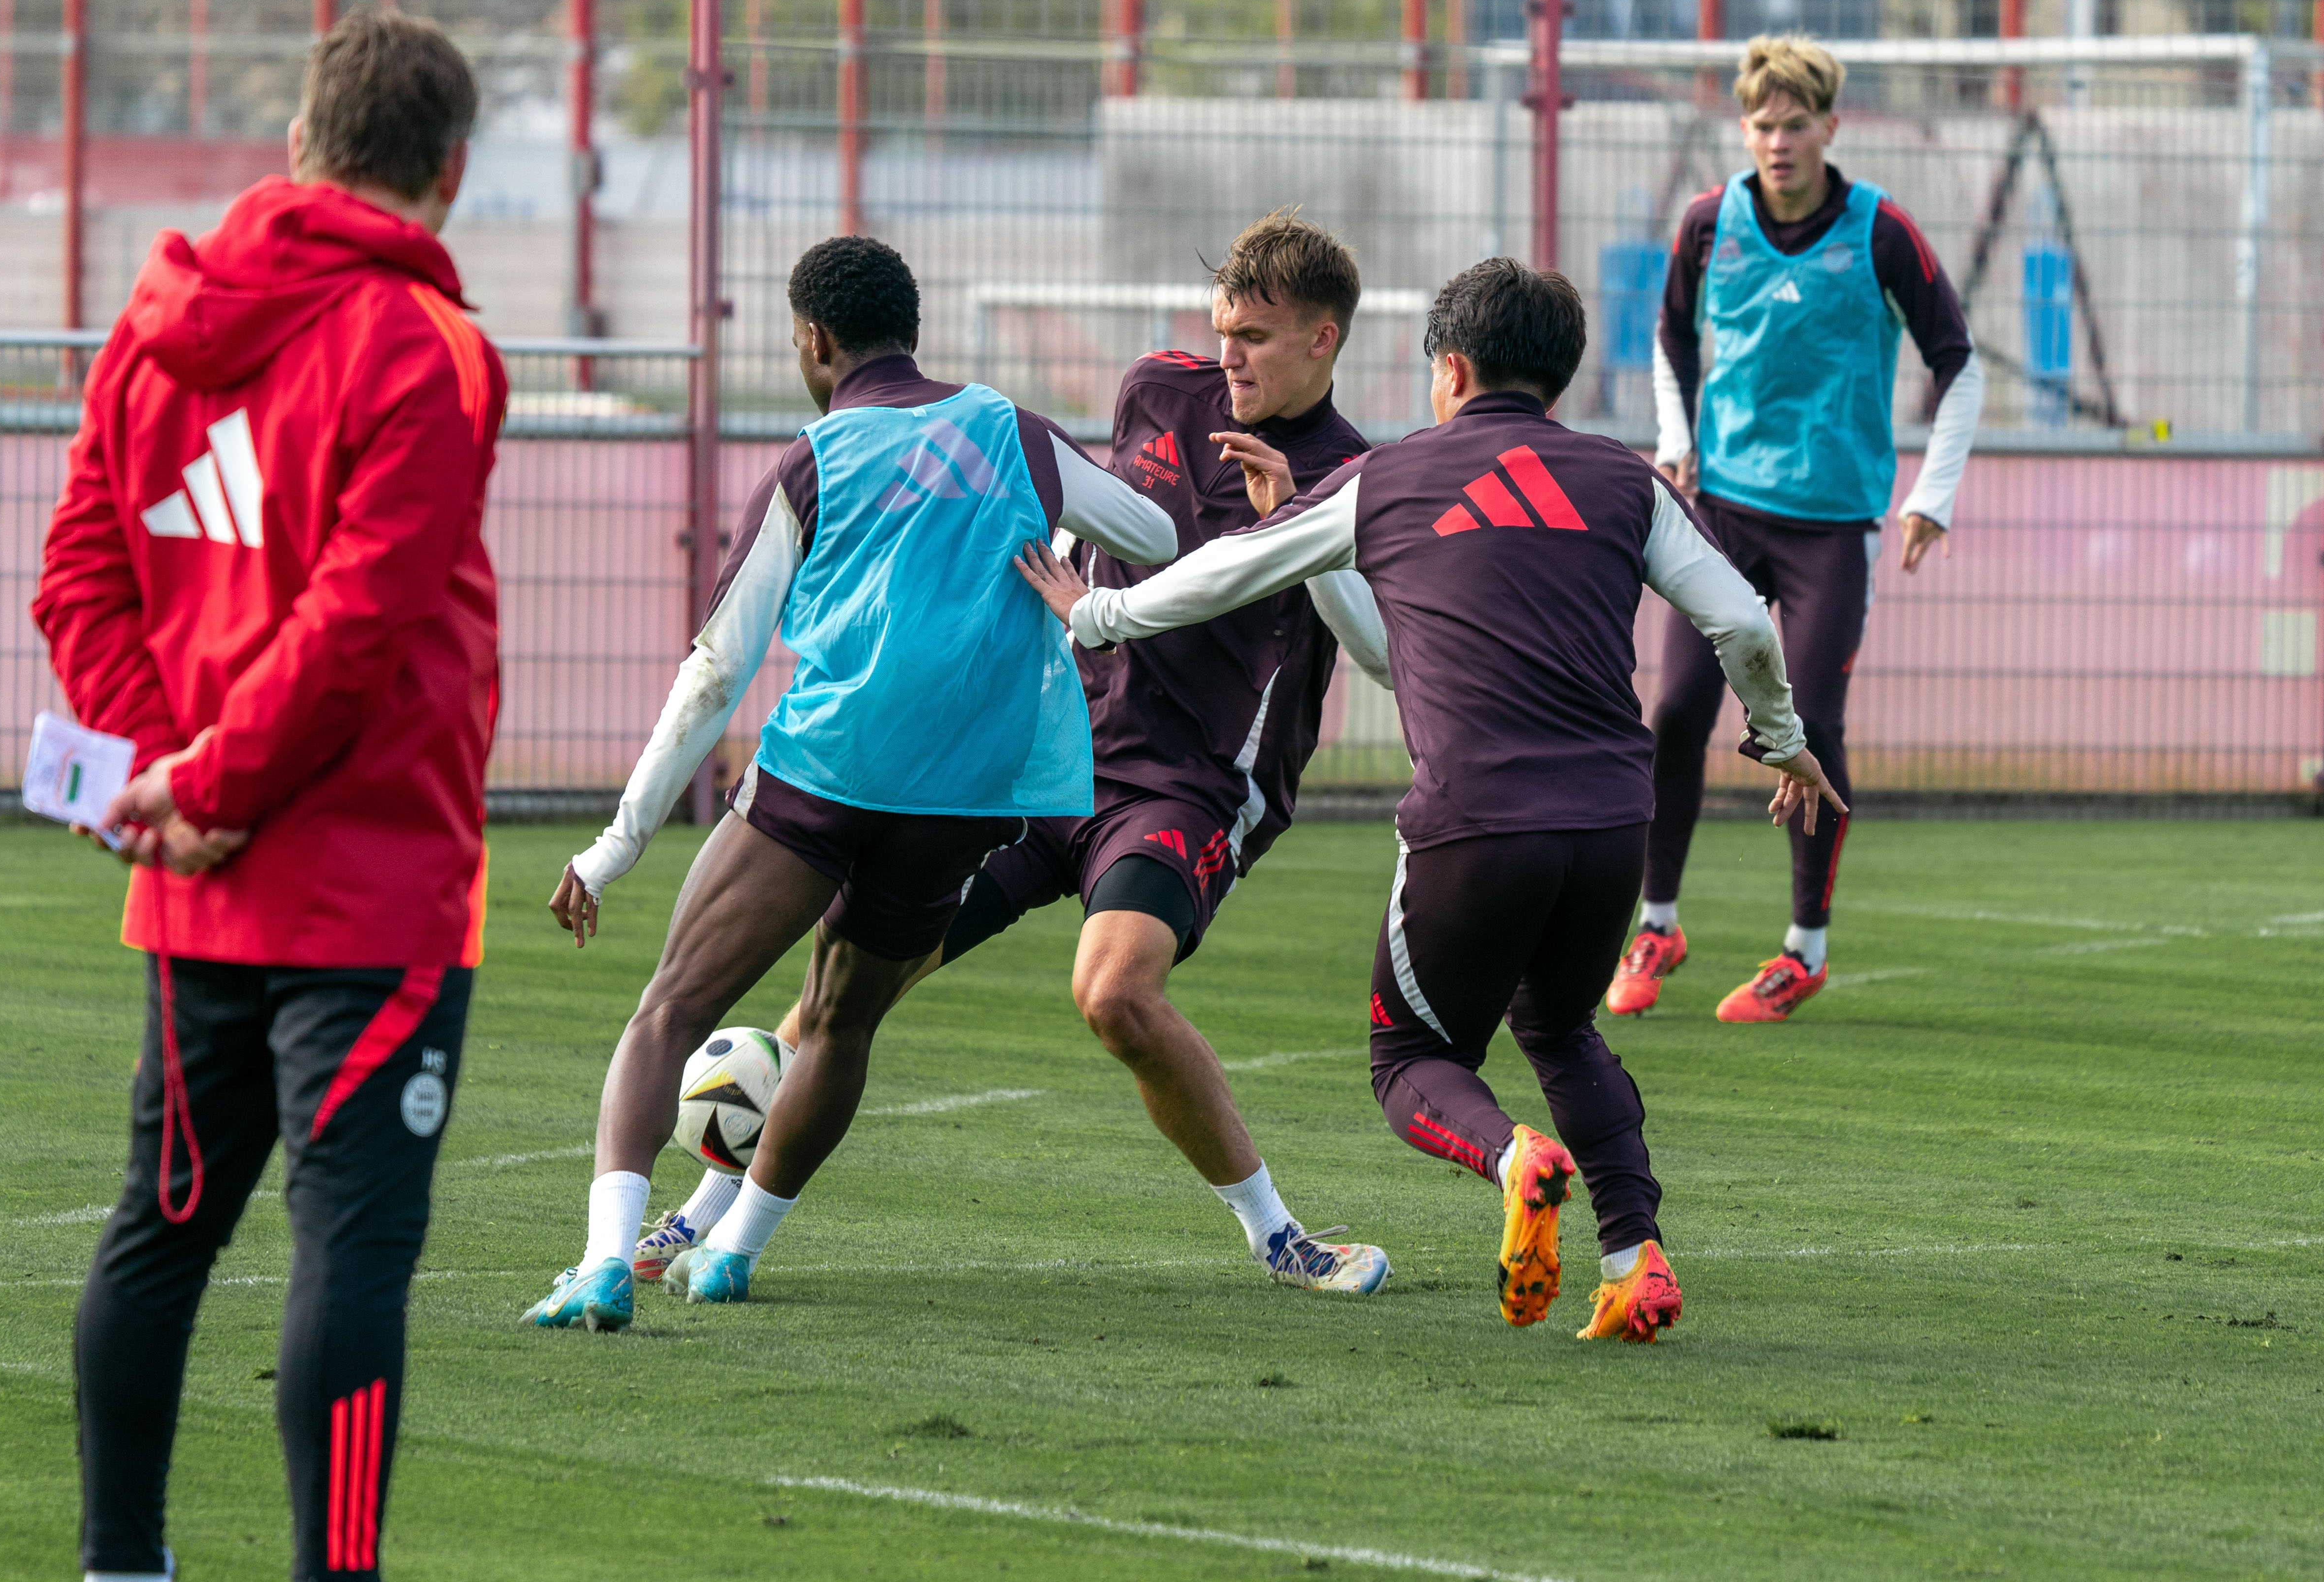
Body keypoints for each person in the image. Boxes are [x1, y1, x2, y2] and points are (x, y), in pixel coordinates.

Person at [1016, 258, 1842, 1342]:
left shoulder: (1390, 475)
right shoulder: (1622, 480)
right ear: (1560, 373)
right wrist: (1780, 740)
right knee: (1560, 1026)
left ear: (1449, 367)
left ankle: (1515, 1157)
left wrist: (1094, 620)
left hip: (1473, 818)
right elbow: (1739, 620)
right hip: (1608, 822)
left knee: (1410, 1061)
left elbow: (1218, 573)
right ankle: (1635, 1260)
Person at [636, 213, 1397, 1298]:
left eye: (1259, 338)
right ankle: (704, 1216)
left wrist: (1299, 536)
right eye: (1224, 329)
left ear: (1324, 340)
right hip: (1046, 754)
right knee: (847, 986)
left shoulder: (1351, 474)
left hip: (1186, 785)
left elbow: (1375, 652)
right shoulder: (1157, 388)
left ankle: (1278, 1236)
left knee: (1115, 997)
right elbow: (1086, 515)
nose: (1230, 355)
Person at [33, 9, 499, 1582]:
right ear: (447, 171)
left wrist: (162, 774)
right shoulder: (428, 347)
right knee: (351, 1254)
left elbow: (81, 567)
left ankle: (121, 1563)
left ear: (303, 143)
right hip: (368, 883)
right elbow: (362, 619)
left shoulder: (151, 325)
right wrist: (216, 782)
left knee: (159, 1232)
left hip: (188, 872)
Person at [527, 235, 1177, 1330]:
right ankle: (733, 1250)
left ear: (816, 342)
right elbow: (1156, 534)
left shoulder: (814, 457)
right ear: (909, 331)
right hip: (966, 797)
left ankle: (601, 1262)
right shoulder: (1015, 432)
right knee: (839, 1023)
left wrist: (615, 845)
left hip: (824, 774)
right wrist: (1058, 560)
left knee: (673, 1005)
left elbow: (716, 671)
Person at [1606, 32, 1981, 1026]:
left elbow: (1960, 363)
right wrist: (1675, 436)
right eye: (1763, 124)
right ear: (1745, 128)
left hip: (1830, 524)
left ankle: (1803, 950)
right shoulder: (1706, 224)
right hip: (1721, 513)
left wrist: (1930, 495)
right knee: (1677, 709)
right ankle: (1658, 922)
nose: (1779, 141)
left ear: (1830, 127)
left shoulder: (1880, 231)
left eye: (1796, 124)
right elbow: (1669, 339)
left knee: (1807, 731)